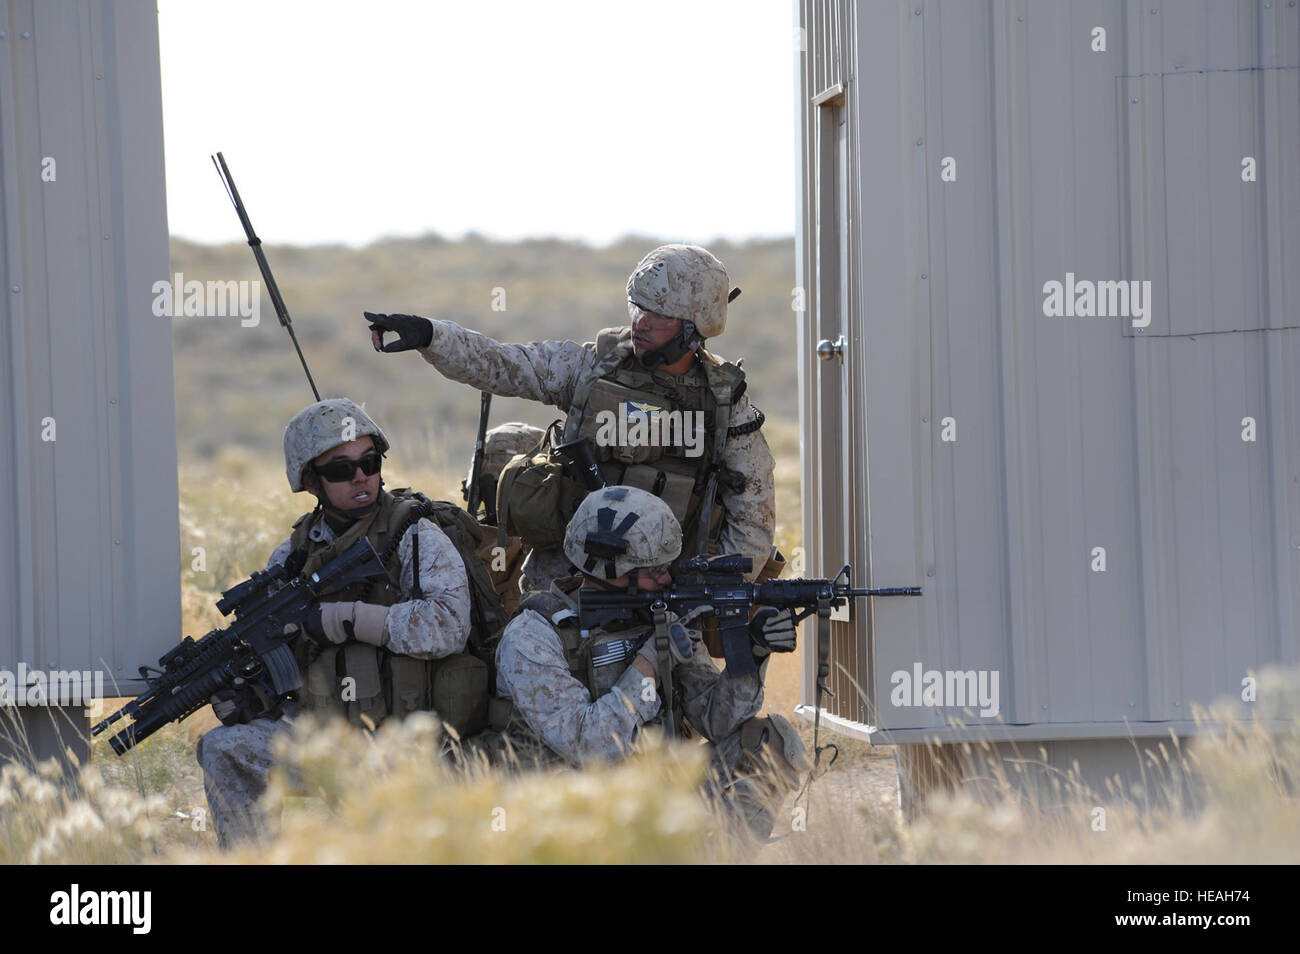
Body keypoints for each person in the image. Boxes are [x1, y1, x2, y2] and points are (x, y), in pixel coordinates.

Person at [362, 244, 777, 594]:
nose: (640, 323)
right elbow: (503, 365)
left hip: (663, 587)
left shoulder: (725, 404)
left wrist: (704, 590)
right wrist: (431, 336)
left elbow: (753, 519)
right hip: (566, 584)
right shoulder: (592, 368)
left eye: (658, 316)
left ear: (694, 327)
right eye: (637, 307)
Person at [195, 398, 473, 847]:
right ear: (311, 482)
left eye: (369, 462)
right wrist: (252, 696)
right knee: (224, 748)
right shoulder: (294, 556)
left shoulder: (415, 534)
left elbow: (449, 625)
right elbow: (281, 659)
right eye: (342, 470)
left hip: (406, 738)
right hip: (318, 734)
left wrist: (345, 619)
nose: (361, 475)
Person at [492, 485, 806, 839]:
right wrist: (649, 662)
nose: (667, 579)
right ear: (612, 572)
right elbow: (590, 747)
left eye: (667, 568)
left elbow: (719, 721)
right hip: (570, 807)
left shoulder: (659, 612)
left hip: (654, 785)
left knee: (768, 742)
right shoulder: (533, 637)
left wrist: (752, 651)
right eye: (654, 571)